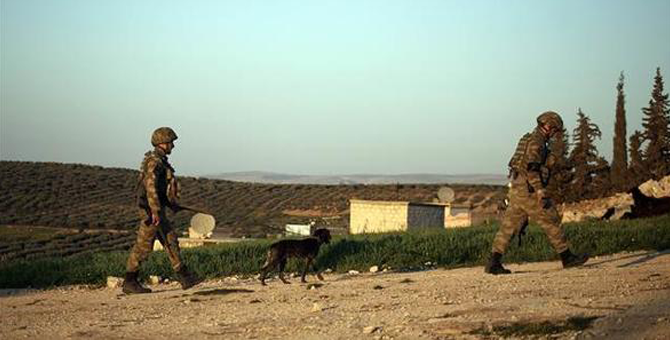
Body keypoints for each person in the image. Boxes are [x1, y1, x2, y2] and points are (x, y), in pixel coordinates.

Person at [485, 111, 589, 275]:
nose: (555, 133)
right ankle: (567, 257)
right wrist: (540, 190)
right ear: (548, 127)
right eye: (554, 130)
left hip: (517, 189)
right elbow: (532, 169)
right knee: (550, 220)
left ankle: (493, 262)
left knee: (508, 227)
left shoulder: (527, 138)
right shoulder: (537, 143)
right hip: (530, 190)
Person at [122, 127, 203, 294]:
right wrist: (155, 211)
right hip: (151, 211)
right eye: (170, 142)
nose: (173, 146)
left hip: (155, 209)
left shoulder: (160, 161)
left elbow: (160, 190)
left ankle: (185, 277)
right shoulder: (155, 162)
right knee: (144, 246)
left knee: (170, 240)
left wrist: (169, 204)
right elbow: (150, 188)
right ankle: (130, 281)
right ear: (162, 143)